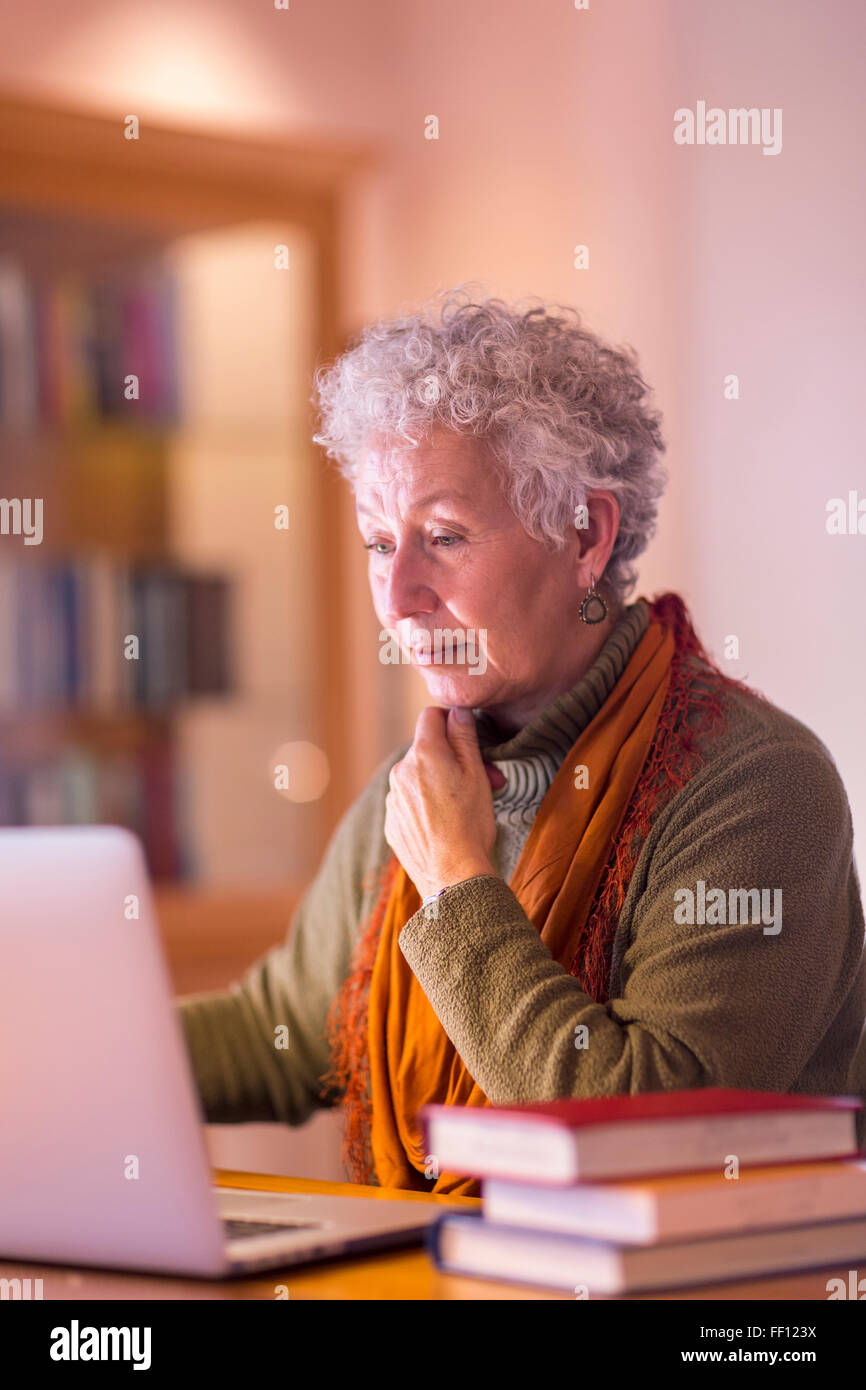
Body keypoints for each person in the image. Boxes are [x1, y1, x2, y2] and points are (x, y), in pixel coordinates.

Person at [177, 288, 866, 1194]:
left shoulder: (758, 786)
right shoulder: (423, 784)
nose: (397, 598)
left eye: (444, 537)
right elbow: (281, 1033)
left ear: (586, 533)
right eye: (380, 543)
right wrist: (49, 1045)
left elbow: (641, 1133)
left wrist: (460, 882)